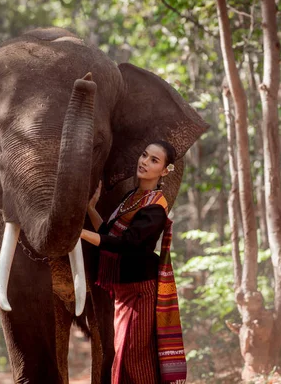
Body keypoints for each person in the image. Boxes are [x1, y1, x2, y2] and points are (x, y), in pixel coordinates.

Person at [80, 140, 187, 384]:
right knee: (125, 357)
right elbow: (109, 233)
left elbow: (127, 245)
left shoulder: (155, 208)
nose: (145, 162)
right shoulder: (133, 196)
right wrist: (90, 209)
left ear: (165, 170)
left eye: (154, 160)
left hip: (141, 293)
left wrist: (81, 234)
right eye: (144, 155)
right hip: (124, 292)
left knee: (135, 360)